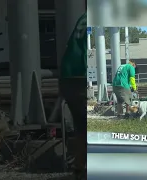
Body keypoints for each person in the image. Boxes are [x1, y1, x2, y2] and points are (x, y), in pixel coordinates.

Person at [59, 12, 86, 179]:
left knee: (82, 127)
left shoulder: (85, 16)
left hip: (67, 76)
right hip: (81, 76)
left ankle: (79, 167)